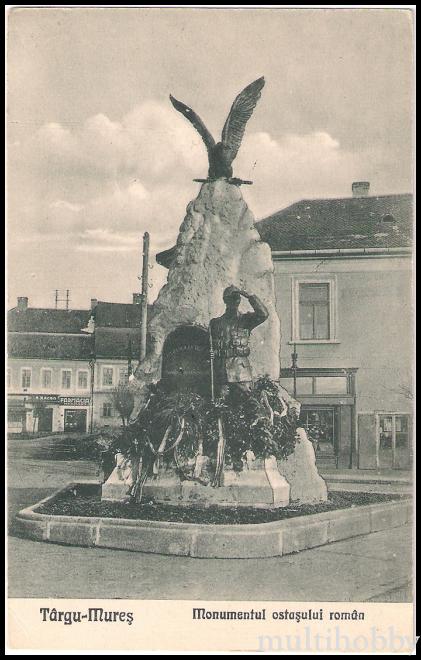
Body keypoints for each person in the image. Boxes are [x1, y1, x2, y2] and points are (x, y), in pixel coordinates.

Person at [209, 285, 269, 397]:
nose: (235, 301)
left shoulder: (245, 320)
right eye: (231, 299)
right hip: (222, 371)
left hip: (241, 372)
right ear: (225, 300)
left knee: (247, 402)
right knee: (222, 405)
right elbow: (209, 345)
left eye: (237, 298)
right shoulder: (215, 323)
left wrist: (250, 296)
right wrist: (211, 353)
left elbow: (263, 314)